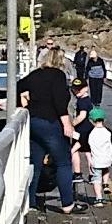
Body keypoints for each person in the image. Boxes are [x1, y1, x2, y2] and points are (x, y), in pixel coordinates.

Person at [15, 52, 78, 210]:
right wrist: (67, 124)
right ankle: (68, 204)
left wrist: (22, 104)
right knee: (63, 162)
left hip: (33, 121)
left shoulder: (34, 75)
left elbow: (17, 86)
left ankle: (30, 202)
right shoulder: (58, 75)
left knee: (34, 163)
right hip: (50, 122)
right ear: (60, 62)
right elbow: (59, 100)